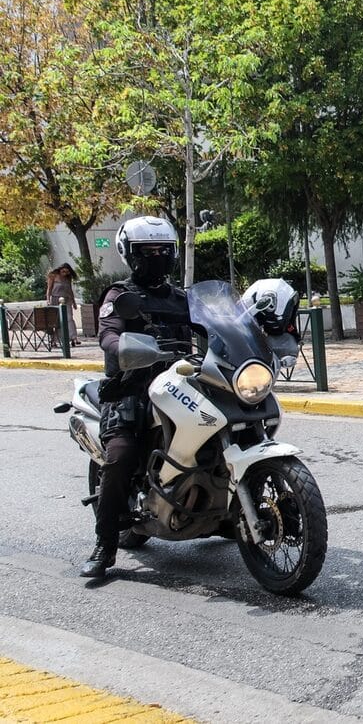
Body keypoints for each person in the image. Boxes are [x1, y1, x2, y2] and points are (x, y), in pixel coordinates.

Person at [81, 216, 192, 578]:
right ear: (129, 254)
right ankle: (105, 545)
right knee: (121, 455)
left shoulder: (181, 298)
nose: (156, 256)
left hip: (179, 385)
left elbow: (214, 327)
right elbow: (108, 334)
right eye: (147, 251)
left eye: (163, 250)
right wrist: (122, 346)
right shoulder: (119, 295)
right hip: (131, 390)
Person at [45, 263, 80, 346]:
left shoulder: (68, 278)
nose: (65, 273)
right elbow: (49, 289)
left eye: (67, 272)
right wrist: (48, 299)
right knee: (57, 320)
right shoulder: (53, 276)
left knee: (69, 318)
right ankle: (56, 339)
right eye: (63, 271)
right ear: (60, 270)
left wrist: (74, 302)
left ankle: (73, 337)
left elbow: (70, 290)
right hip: (56, 299)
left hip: (66, 299)